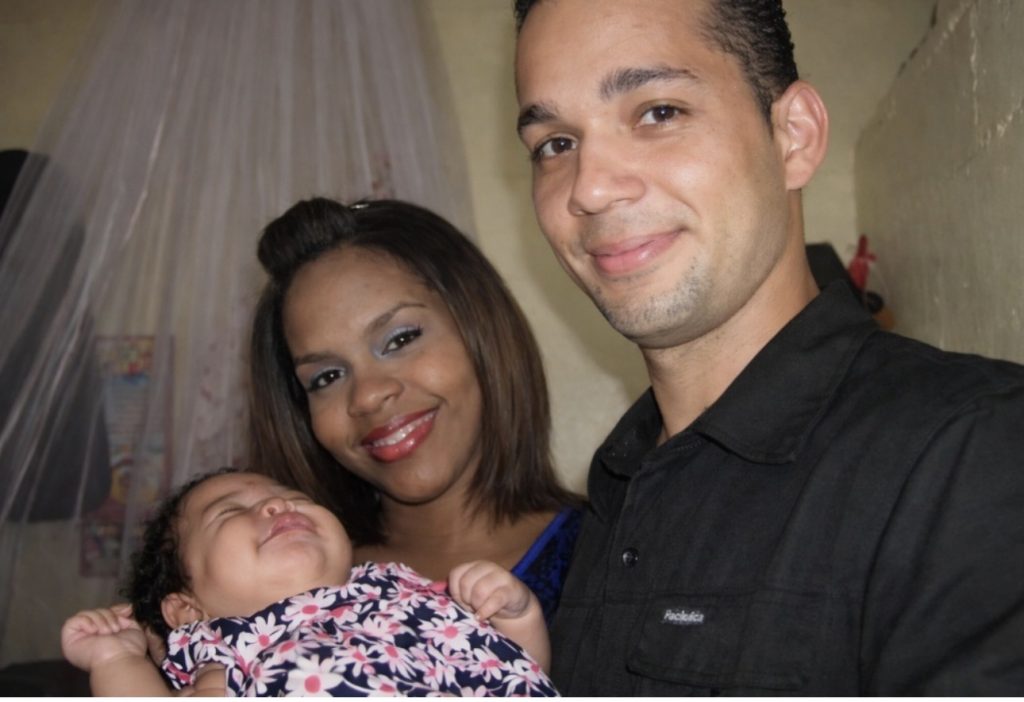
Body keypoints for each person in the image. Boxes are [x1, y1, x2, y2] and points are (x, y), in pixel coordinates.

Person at [513, 0, 1024, 695]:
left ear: (794, 137)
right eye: (555, 144)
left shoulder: (973, 451)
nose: (591, 189)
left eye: (658, 112)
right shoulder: (613, 491)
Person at [248, 197, 581, 623]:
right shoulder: (277, 594)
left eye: (400, 340)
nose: (367, 396)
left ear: (480, 326)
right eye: (327, 377)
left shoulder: (615, 554)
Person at [61, 469, 557, 696]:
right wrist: (117, 660)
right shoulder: (226, 650)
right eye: (230, 512)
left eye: (294, 497)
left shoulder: (400, 589)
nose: (276, 505)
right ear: (188, 609)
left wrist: (517, 615)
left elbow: (515, 672)